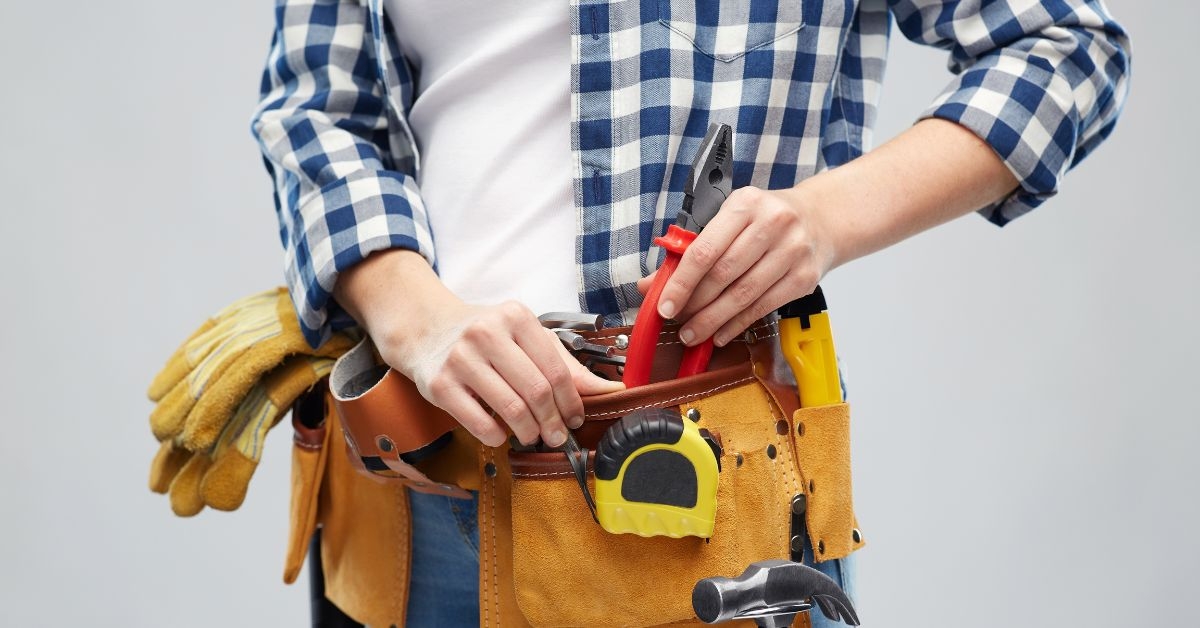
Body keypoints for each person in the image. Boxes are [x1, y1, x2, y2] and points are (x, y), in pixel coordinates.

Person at [251, 0, 1130, 625]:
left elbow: (1070, 47)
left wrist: (822, 219)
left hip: (703, 502)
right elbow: (317, 106)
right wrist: (411, 314)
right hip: (411, 467)